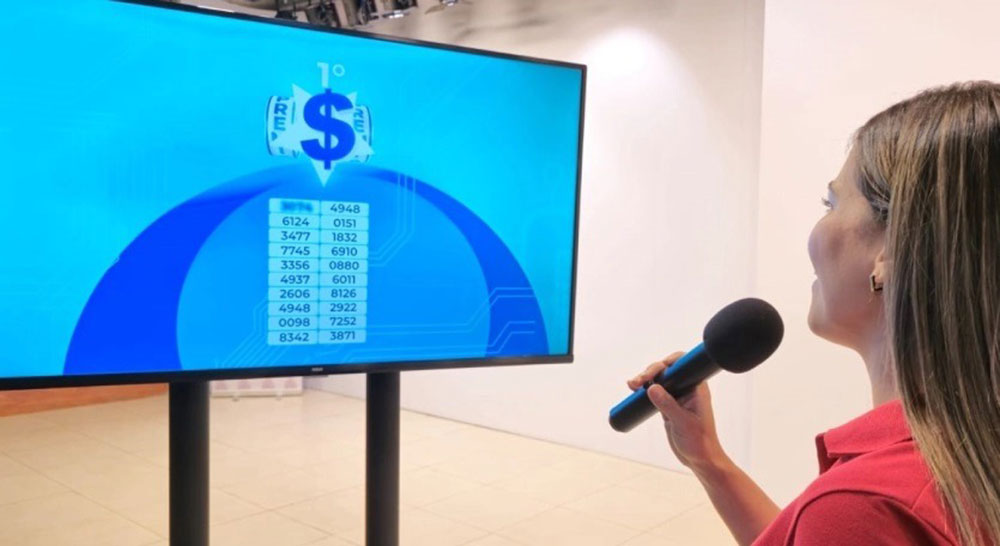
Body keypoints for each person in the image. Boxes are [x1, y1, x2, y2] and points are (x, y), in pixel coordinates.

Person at [630, 81, 1000, 545]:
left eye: (832, 203)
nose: (814, 230)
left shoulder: (866, 506)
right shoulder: (949, 464)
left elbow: (850, 523)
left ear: (891, 250)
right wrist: (709, 461)